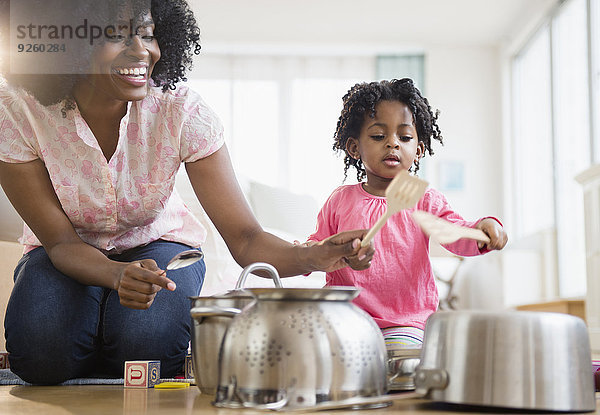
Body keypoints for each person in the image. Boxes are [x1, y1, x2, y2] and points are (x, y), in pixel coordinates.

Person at [0, 0, 373, 385]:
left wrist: (315, 255)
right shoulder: (17, 112)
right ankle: (94, 319)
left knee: (143, 349)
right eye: (114, 35)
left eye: (147, 34)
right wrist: (113, 275)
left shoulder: (181, 112)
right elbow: (60, 244)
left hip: (159, 243)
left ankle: (105, 331)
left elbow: (245, 239)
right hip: (65, 250)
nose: (142, 50)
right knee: (40, 356)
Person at [307, 79, 508, 348]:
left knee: (401, 363)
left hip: (404, 320)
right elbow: (318, 247)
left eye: (404, 137)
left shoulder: (425, 200)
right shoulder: (340, 200)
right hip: (344, 316)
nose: (393, 144)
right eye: (379, 136)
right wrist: (306, 251)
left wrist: (483, 228)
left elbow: (455, 233)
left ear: (419, 150)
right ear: (355, 148)